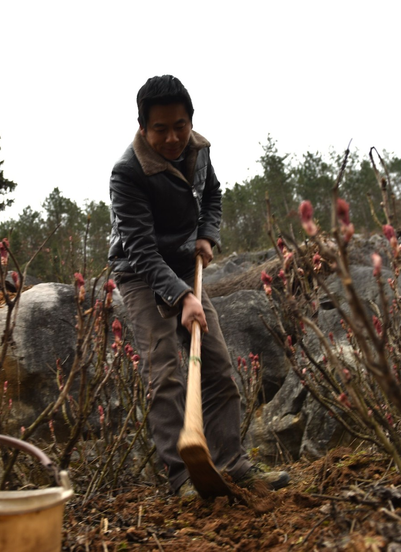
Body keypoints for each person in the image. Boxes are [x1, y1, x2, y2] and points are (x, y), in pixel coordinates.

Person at [108, 75, 289, 497]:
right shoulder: (127, 173)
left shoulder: (198, 150)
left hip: (186, 263)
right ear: (142, 127)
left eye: (180, 125)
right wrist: (182, 296)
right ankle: (181, 477)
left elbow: (212, 195)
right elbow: (139, 249)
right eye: (160, 128)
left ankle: (233, 463)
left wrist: (207, 234)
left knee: (218, 365)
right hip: (140, 271)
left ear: (190, 121)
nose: (172, 137)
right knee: (166, 370)